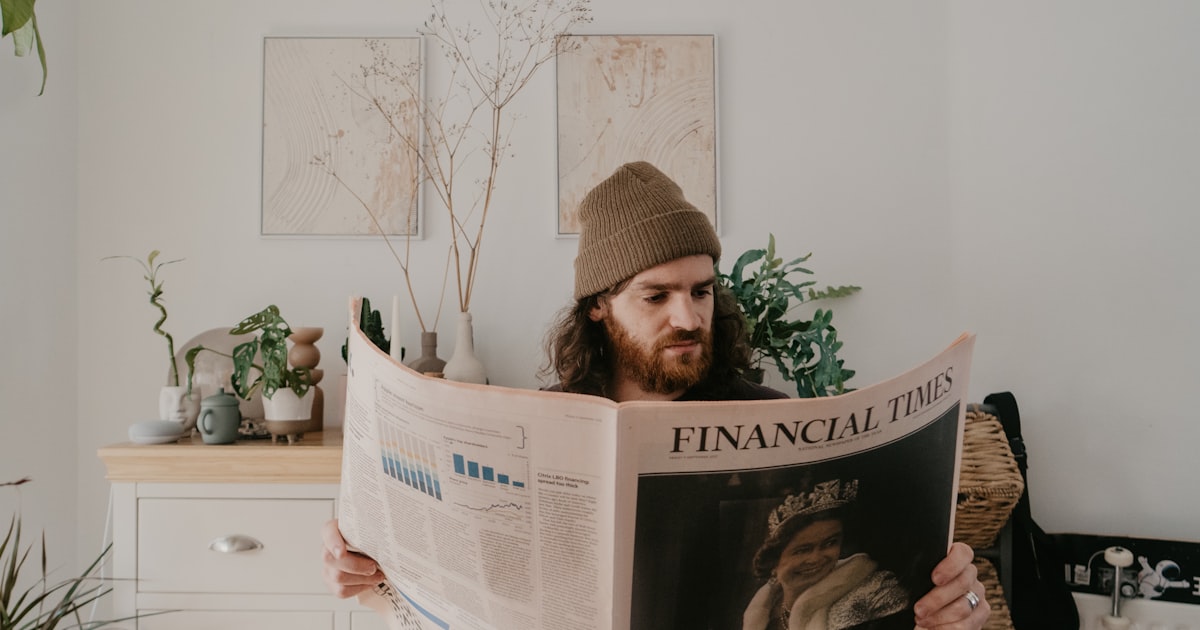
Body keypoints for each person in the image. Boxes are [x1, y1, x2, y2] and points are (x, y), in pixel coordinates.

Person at [321, 161, 991, 628]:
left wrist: (951, 614)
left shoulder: (774, 420)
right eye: (657, 295)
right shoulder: (543, 427)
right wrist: (370, 575)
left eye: (701, 291)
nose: (687, 317)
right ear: (599, 308)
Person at [743, 479, 909, 630]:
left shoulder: (874, 591)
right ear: (773, 562)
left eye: (830, 543)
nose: (816, 558)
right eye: (802, 550)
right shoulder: (762, 612)